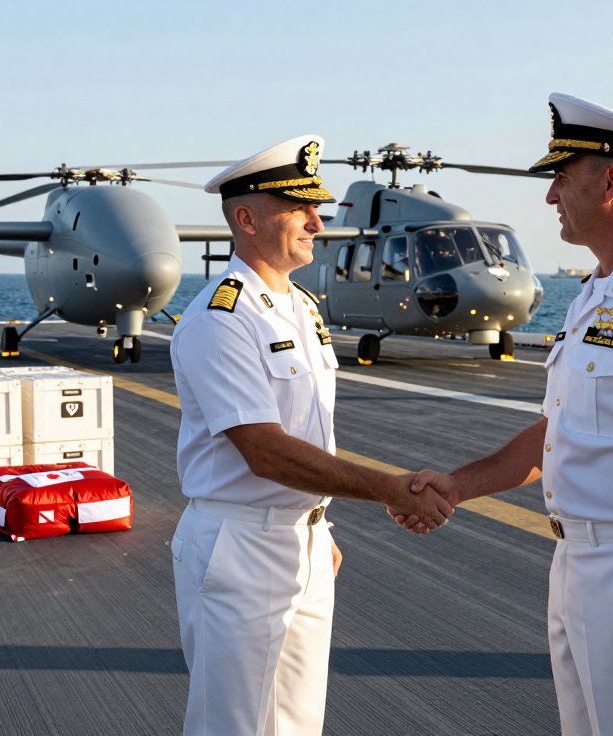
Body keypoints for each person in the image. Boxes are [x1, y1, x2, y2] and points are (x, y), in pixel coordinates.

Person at [400, 94, 613, 735]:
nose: (551, 196)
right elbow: (558, 436)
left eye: (561, 177)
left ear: (610, 182)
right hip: (578, 564)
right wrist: (458, 485)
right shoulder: (600, 292)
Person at [170, 134, 455, 736]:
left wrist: (317, 523)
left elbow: (308, 432)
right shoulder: (221, 318)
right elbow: (266, 450)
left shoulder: (299, 306)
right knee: (234, 725)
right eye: (299, 207)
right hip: (241, 545)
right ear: (246, 218)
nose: (317, 221)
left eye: (315, 207)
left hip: (302, 543)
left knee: (298, 721)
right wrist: (389, 488)